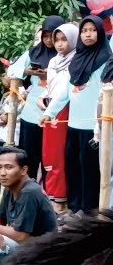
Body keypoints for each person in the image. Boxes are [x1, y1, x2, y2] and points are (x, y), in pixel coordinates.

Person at [58, 16, 109, 215]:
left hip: (94, 126)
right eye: (84, 30)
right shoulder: (76, 59)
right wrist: (49, 113)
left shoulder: (106, 59)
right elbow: (66, 92)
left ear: (100, 32)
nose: (88, 34)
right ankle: (74, 206)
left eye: (92, 30)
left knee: (90, 168)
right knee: (72, 165)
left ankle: (89, 208)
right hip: (73, 124)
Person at [8, 15, 63, 179]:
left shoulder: (67, 55)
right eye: (45, 36)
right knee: (29, 158)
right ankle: (28, 193)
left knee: (51, 159)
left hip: (56, 114)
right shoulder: (33, 53)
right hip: (31, 113)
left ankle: (51, 196)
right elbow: (11, 70)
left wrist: (51, 73)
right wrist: (28, 71)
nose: (48, 41)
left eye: (51, 36)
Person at [39, 22, 77, 209]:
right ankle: (52, 195)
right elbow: (50, 86)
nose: (60, 44)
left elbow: (65, 90)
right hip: (49, 108)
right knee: (48, 155)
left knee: (58, 154)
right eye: (57, 40)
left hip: (63, 109)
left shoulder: (76, 59)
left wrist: (50, 107)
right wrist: (42, 98)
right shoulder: (54, 61)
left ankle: (60, 199)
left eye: (64, 39)